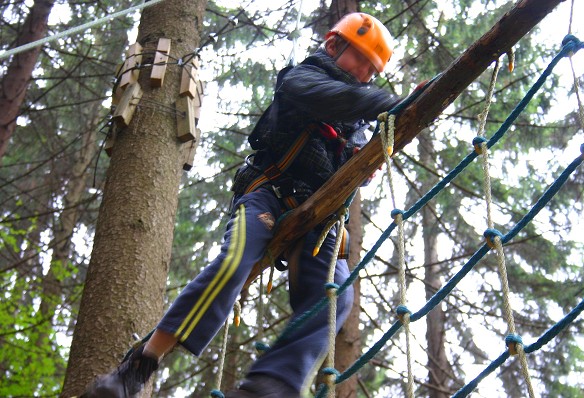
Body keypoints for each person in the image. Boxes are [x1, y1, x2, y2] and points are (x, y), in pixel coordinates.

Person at [84, 12, 400, 398]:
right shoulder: (300, 80)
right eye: (359, 60)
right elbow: (335, 98)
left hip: (321, 217)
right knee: (235, 262)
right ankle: (140, 365)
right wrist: (388, 102)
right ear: (334, 46)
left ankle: (273, 383)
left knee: (338, 294)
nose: (363, 74)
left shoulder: (360, 122)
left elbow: (356, 160)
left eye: (371, 70)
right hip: (269, 194)